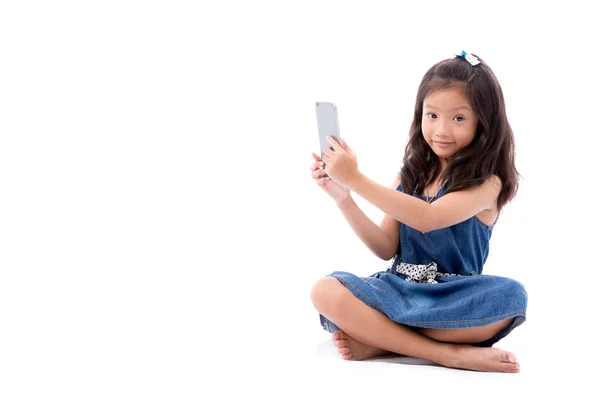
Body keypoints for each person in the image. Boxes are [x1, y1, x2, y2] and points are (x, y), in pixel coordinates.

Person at [309, 51, 527, 373]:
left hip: (451, 300)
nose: (441, 130)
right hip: (400, 291)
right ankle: (445, 354)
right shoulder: (410, 175)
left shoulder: (487, 184)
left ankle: (382, 338)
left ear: (483, 123)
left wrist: (355, 178)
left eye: (458, 118)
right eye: (432, 115)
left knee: (512, 296)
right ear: (419, 114)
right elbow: (385, 248)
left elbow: (427, 219)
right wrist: (345, 197)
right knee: (324, 291)